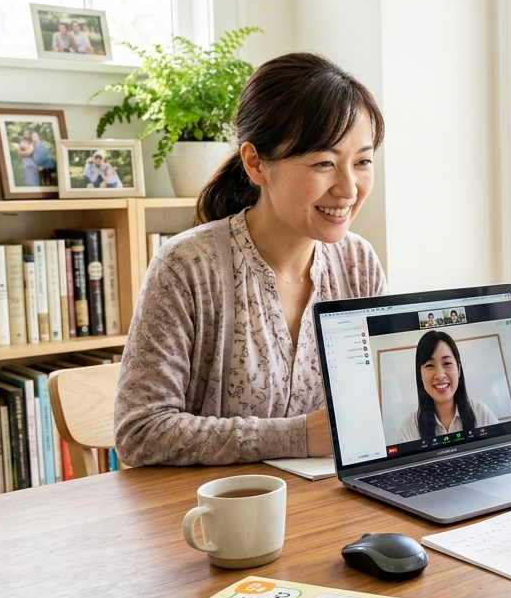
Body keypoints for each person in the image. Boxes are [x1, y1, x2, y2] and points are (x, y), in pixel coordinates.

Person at [114, 52, 387, 466]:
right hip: (213, 519)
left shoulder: (358, 264)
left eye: (362, 161)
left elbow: (377, 403)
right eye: (324, 163)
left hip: (332, 509)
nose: (348, 188)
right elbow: (141, 432)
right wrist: (297, 436)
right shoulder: (187, 266)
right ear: (256, 163)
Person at [392, 331, 498, 444]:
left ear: (458, 370)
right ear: (420, 375)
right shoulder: (409, 428)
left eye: (447, 363)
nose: (440, 375)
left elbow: (501, 454)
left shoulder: (480, 413)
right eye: (429, 365)